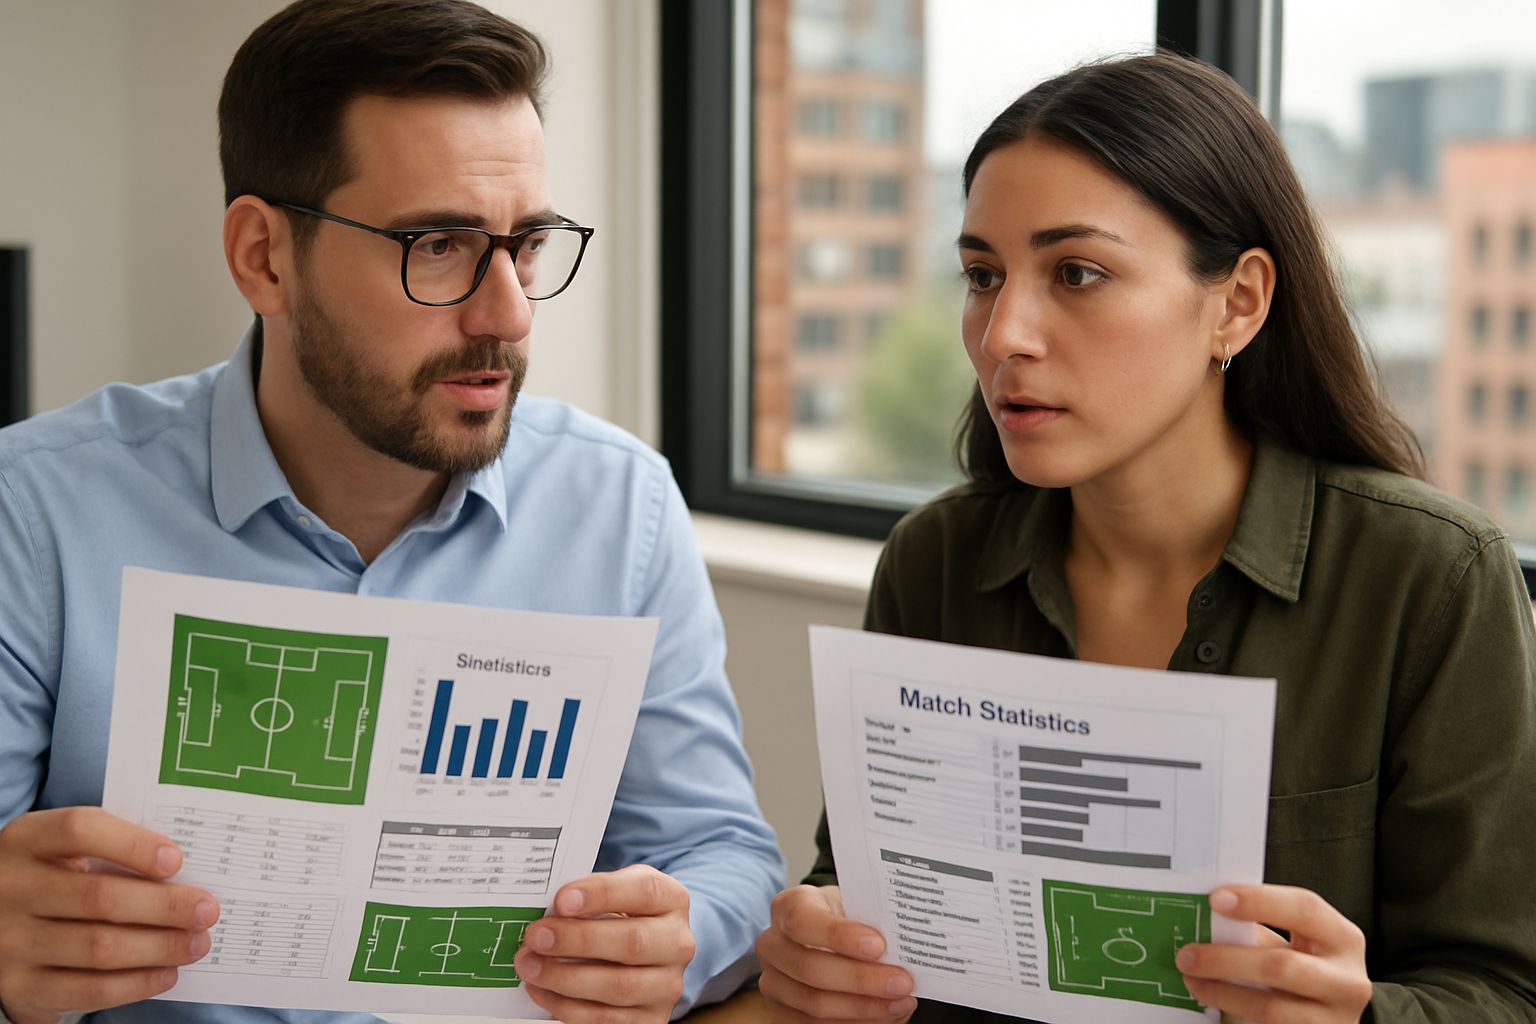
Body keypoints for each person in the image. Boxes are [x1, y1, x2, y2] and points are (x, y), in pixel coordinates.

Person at [0, 2, 785, 1022]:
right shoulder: (34, 511)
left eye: (527, 244)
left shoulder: (620, 506)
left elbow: (721, 854)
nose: (508, 313)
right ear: (264, 258)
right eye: (438, 245)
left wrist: (670, 938)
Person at [756, 52, 1536, 1024]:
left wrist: (1364, 1015)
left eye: (1078, 273)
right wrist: (821, 950)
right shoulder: (934, 561)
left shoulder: (1432, 577)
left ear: (1238, 303)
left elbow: (1506, 988)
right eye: (983, 276)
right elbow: (860, 896)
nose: (1003, 335)